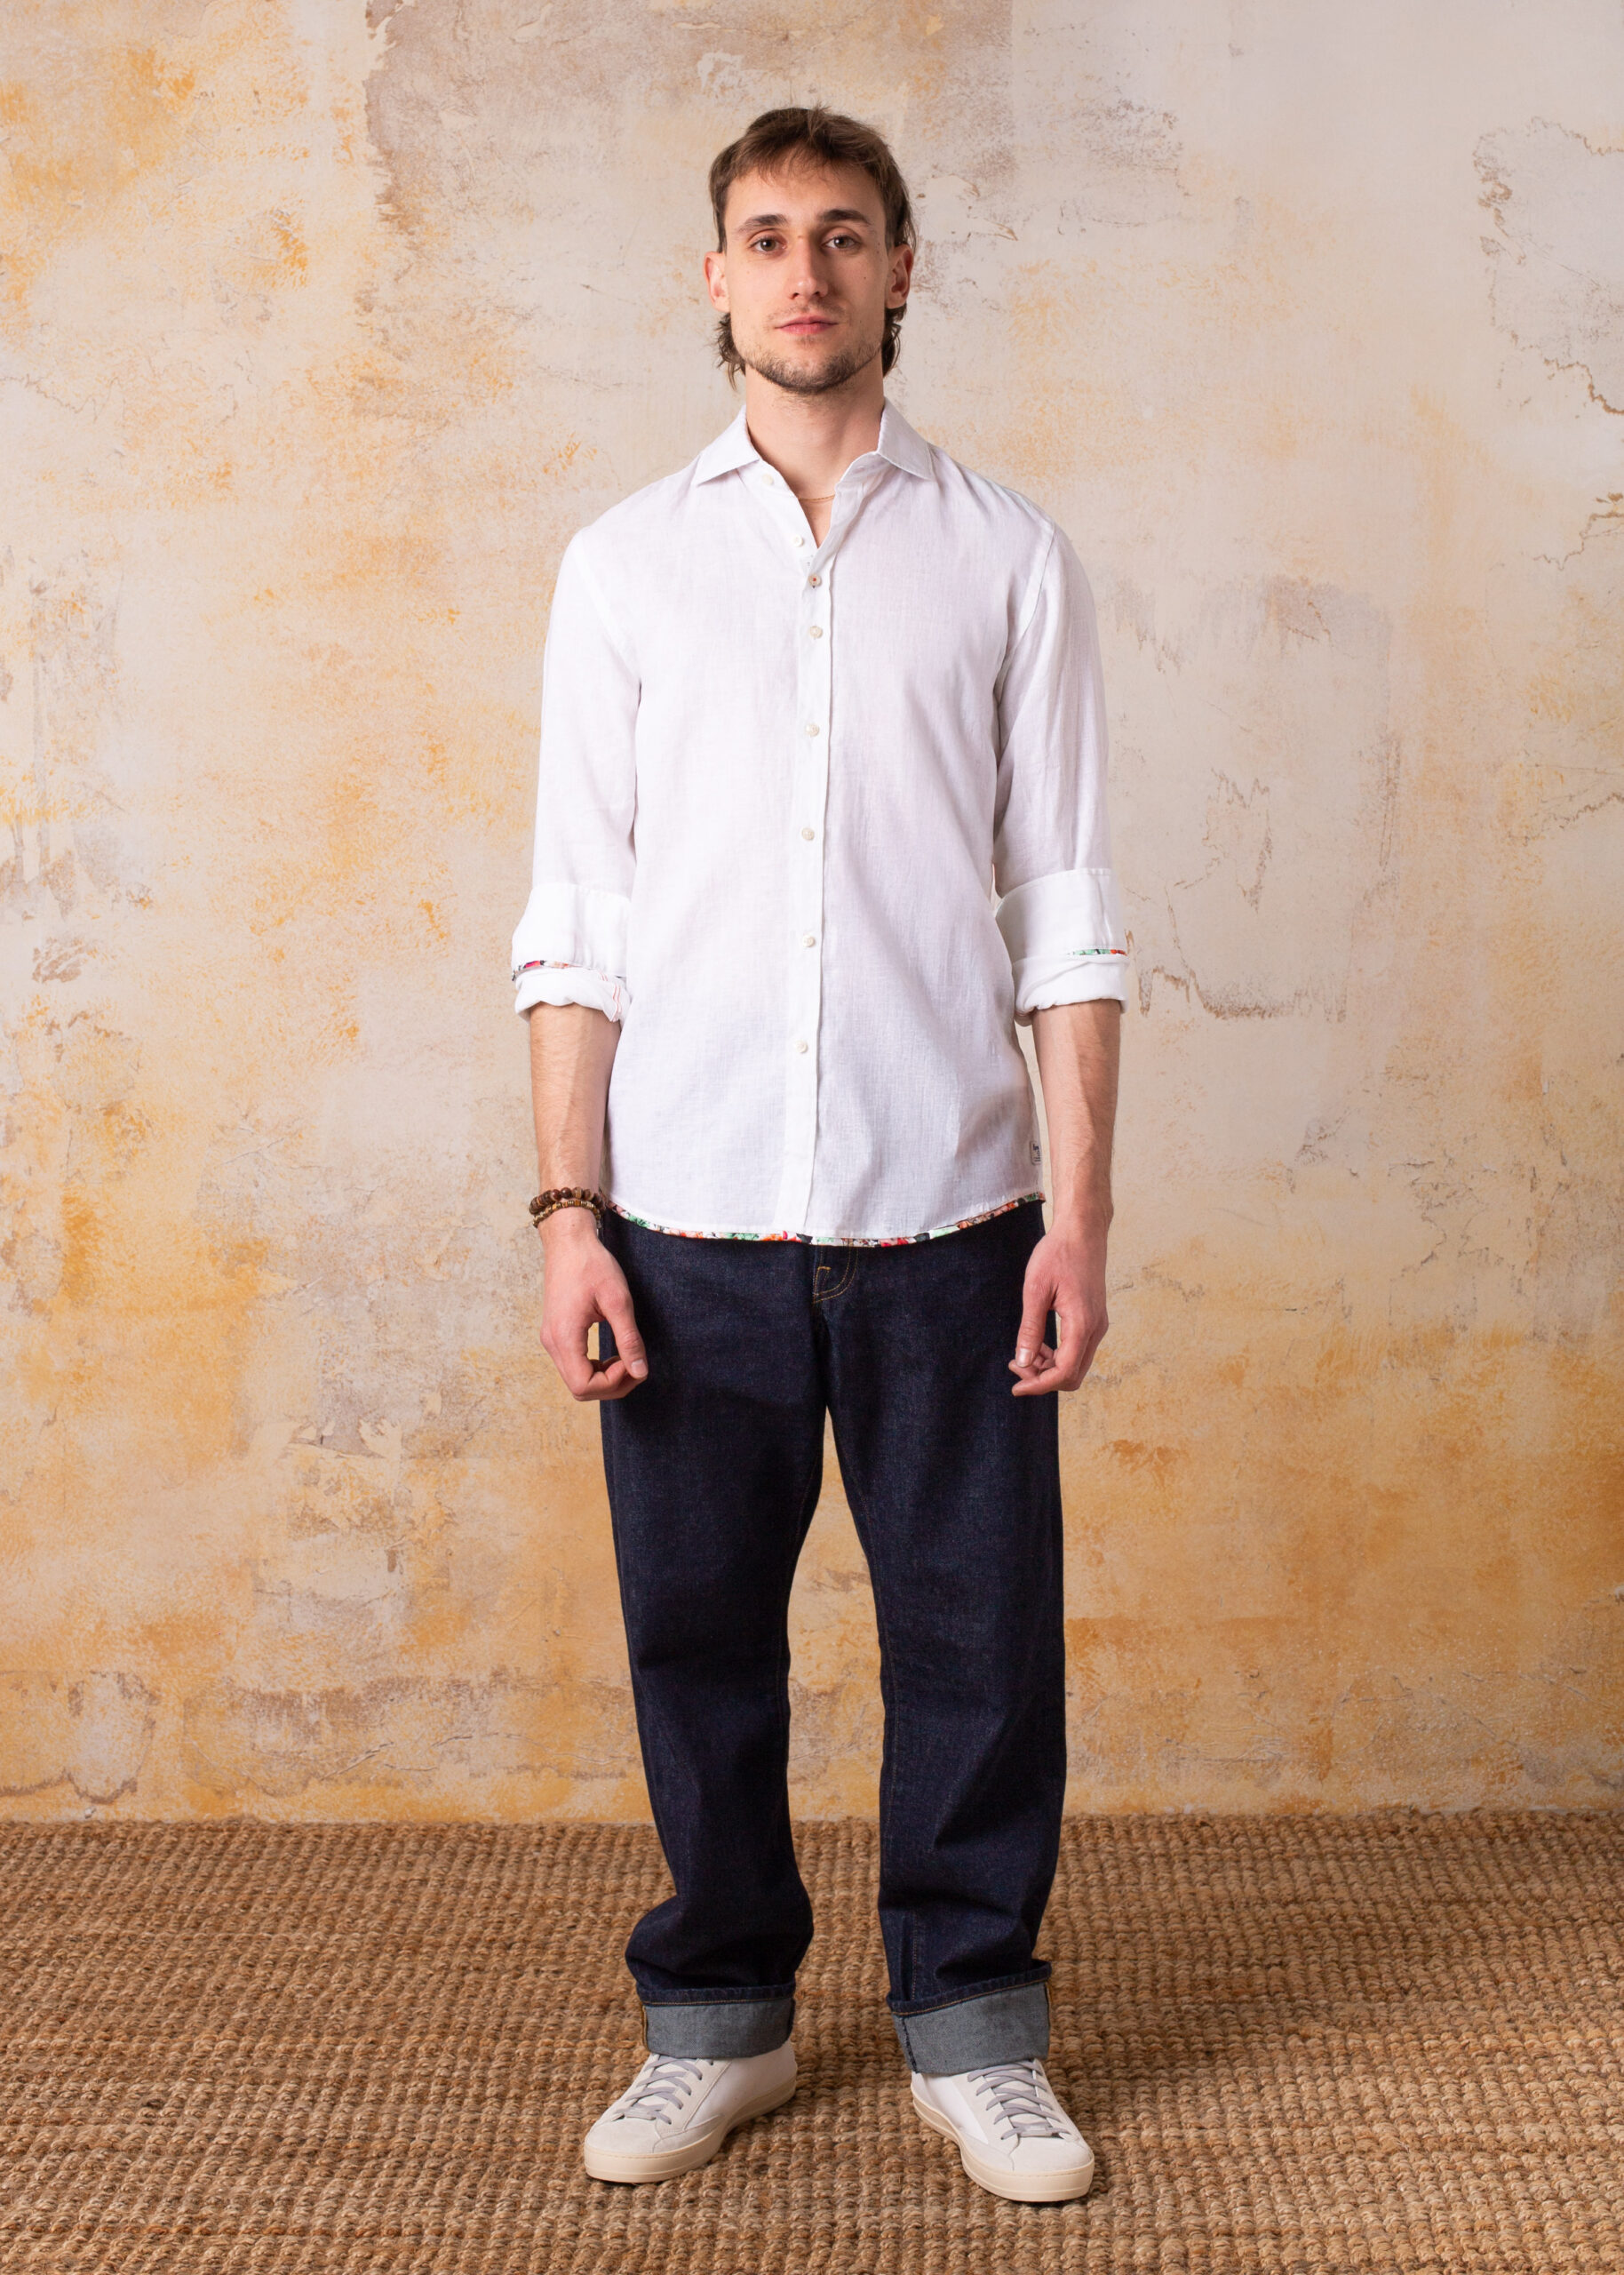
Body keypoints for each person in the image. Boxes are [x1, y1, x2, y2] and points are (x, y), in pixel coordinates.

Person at [513, 105, 1127, 2207]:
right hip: (681, 1217)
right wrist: (567, 1216)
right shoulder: (620, 567)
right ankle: (719, 2019)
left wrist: (1077, 1212)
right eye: (767, 236)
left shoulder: (1007, 554)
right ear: (714, 276)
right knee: (696, 1636)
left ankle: (975, 2028)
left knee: (978, 1638)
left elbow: (1063, 907)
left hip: (952, 1210)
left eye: (843, 235)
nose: (804, 270)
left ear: (898, 270)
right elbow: (574, 921)